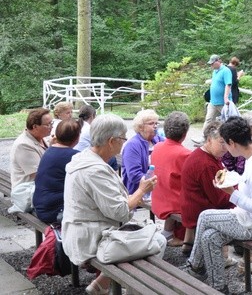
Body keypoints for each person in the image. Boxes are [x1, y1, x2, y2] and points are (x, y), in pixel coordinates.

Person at [62, 114, 166, 295]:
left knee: (147, 233)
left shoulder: (84, 158)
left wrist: (134, 196)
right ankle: (134, 290)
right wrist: (141, 191)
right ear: (111, 141)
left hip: (81, 231)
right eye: (123, 138)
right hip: (91, 239)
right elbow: (120, 213)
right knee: (158, 240)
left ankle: (101, 284)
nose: (124, 143)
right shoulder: (94, 170)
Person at [185, 117, 252, 290]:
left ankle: (195, 265)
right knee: (209, 237)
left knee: (205, 216)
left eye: (225, 143)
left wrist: (232, 193)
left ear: (232, 142)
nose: (225, 149)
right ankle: (219, 287)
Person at [180, 121, 235, 256]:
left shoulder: (202, 154)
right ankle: (230, 256)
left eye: (227, 143)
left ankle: (191, 244)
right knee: (244, 212)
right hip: (199, 210)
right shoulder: (206, 164)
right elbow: (219, 200)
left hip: (190, 205)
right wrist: (239, 193)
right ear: (209, 140)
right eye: (221, 142)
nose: (225, 147)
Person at [150, 111, 192, 247]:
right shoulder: (185, 154)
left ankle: (168, 232)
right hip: (173, 203)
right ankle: (185, 239)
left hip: (158, 197)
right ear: (185, 134)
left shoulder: (157, 147)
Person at [33, 119, 82, 224]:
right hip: (54, 211)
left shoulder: (50, 150)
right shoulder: (74, 156)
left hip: (41, 205)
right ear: (77, 137)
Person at [122, 109, 165, 194]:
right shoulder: (132, 145)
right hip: (137, 193)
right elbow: (134, 175)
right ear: (140, 127)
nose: (155, 126)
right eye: (151, 123)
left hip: (157, 190)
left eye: (156, 123)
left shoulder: (160, 141)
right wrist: (158, 180)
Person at [10, 108, 51, 187]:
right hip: (28, 192)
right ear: (35, 127)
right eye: (47, 124)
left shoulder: (42, 137)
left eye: (51, 123)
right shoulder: (23, 145)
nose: (51, 127)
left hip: (40, 188)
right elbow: (40, 175)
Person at [203, 54, 233, 131]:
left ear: (218, 61)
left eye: (212, 63)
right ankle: (204, 137)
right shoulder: (214, 72)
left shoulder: (226, 71)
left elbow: (228, 84)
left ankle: (231, 138)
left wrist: (226, 98)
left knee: (228, 121)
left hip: (223, 102)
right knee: (208, 120)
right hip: (213, 101)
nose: (211, 65)